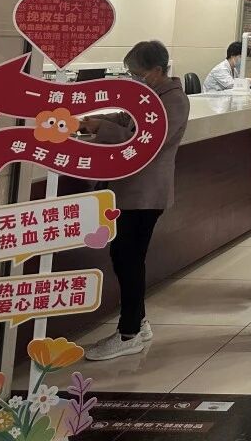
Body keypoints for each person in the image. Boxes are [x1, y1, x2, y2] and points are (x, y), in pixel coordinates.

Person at [83, 40, 189, 361]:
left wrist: (103, 128)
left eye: (137, 73)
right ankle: (139, 323)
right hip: (132, 190)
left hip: (145, 193)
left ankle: (128, 333)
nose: (133, 79)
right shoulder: (152, 95)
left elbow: (145, 141)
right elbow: (128, 119)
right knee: (124, 256)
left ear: (157, 70)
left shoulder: (174, 100)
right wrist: (98, 120)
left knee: (128, 258)